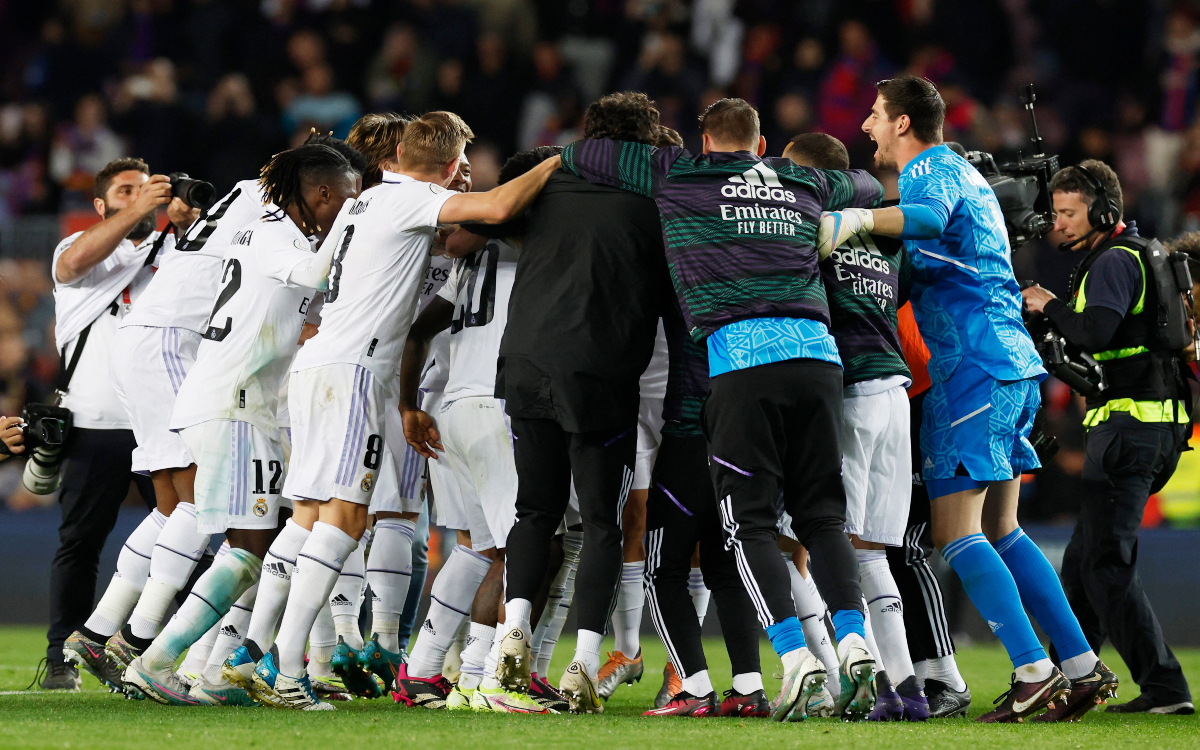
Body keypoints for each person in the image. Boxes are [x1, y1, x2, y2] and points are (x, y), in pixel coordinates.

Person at [560, 96, 884, 722]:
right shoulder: (802, 177)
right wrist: (839, 219)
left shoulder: (677, 174)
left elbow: (585, 155)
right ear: (763, 145)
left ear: (704, 142)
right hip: (819, 359)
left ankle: (795, 661)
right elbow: (867, 180)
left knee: (749, 527)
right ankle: (854, 643)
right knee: (822, 517)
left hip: (741, 361)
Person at [250, 110, 560, 711]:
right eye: (462, 167)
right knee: (345, 519)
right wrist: (560, 162)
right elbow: (496, 212)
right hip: (353, 372)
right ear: (448, 166)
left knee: (313, 517)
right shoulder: (409, 199)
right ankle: (285, 668)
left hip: (322, 368)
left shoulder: (366, 200)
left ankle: (268, 655)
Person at [822, 73, 1103, 723]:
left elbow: (927, 217)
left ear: (901, 123)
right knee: (1002, 529)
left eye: (874, 114)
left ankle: (1034, 672)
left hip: (972, 367)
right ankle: (1081, 666)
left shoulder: (933, 169)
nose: (866, 125)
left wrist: (854, 221)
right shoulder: (966, 175)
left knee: (955, 533)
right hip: (1010, 363)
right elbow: (922, 264)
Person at [121, 143, 359, 706]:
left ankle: (203, 673)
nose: (353, 205)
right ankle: (154, 661)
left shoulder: (284, 231)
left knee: (254, 542)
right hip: (233, 402)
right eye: (348, 197)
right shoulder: (270, 232)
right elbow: (315, 271)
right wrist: (365, 225)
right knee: (249, 546)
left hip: (244, 404)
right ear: (322, 194)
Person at [486, 92, 672, 715]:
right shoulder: (656, 199)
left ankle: (513, 628)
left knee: (534, 511)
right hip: (600, 374)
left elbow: (490, 219)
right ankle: (584, 664)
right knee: (599, 522)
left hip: (525, 365)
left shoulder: (545, 188)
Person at [1021, 160, 1192, 716]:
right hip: (1145, 424)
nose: (1058, 224)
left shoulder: (1115, 260)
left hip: (1129, 427)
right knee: (1083, 562)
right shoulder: (1136, 253)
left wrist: (1049, 306)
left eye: (1069, 213)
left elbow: (1095, 331)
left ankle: (1164, 689)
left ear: (1103, 210)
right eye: (1056, 214)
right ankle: (1074, 679)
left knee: (1104, 563)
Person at [397, 147, 560, 714]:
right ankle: (488, 677)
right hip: (497, 406)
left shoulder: (475, 252)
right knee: (530, 546)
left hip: (452, 408)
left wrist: (407, 405)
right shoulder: (533, 246)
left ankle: (421, 670)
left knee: (479, 547)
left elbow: (418, 331)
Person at [784, 132, 929, 722]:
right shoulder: (883, 237)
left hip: (843, 391)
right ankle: (906, 689)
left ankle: (842, 672)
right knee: (868, 549)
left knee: (798, 538)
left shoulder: (810, 231)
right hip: (894, 393)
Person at [45, 158, 182, 690]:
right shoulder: (76, 245)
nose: (139, 195)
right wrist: (141, 210)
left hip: (163, 423)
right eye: (125, 190)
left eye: (146, 188)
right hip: (93, 420)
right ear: (101, 205)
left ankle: (164, 653)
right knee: (81, 542)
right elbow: (73, 264)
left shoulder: (175, 252)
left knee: (187, 540)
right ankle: (63, 656)